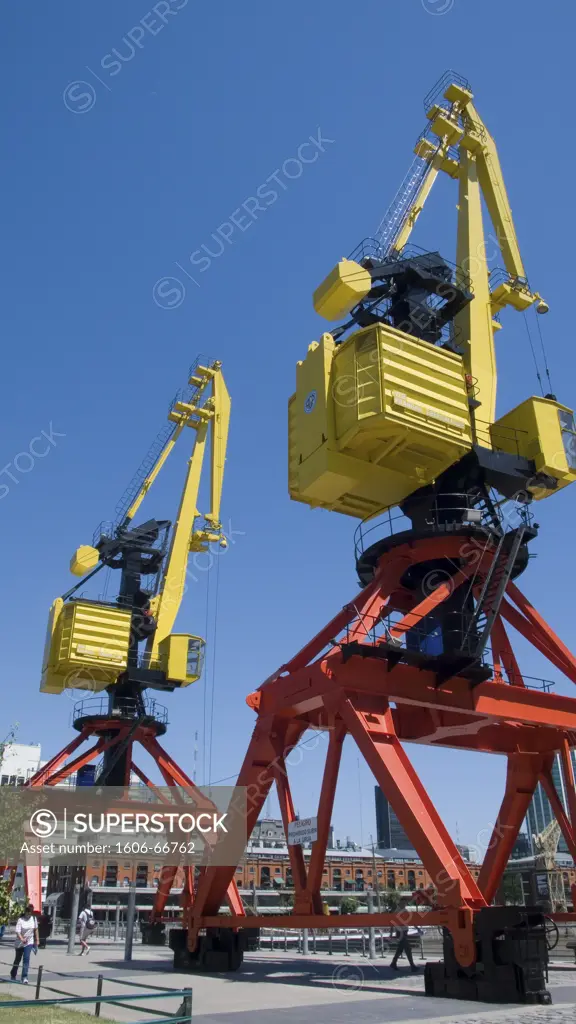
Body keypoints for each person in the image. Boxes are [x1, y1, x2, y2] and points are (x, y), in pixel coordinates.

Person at [10, 905, 38, 985]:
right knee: (17, 960)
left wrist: (37, 941)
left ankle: (24, 977)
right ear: (25, 912)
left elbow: (36, 930)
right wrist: (22, 939)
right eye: (27, 912)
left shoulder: (33, 919)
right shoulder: (20, 920)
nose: (28, 913)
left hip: (29, 942)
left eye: (30, 912)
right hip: (20, 943)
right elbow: (17, 931)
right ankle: (13, 974)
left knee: (26, 959)